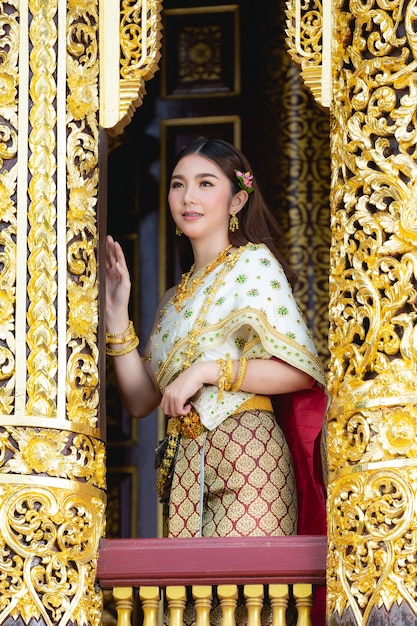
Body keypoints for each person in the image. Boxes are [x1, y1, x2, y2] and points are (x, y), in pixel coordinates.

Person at [105, 138, 327, 541]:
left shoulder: (254, 262)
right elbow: (140, 400)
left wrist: (206, 371)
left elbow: (298, 371)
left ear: (237, 201)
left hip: (248, 456)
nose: (188, 196)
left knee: (244, 599)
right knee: (188, 604)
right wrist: (117, 313)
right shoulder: (172, 300)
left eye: (206, 183)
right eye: (178, 184)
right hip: (184, 469)